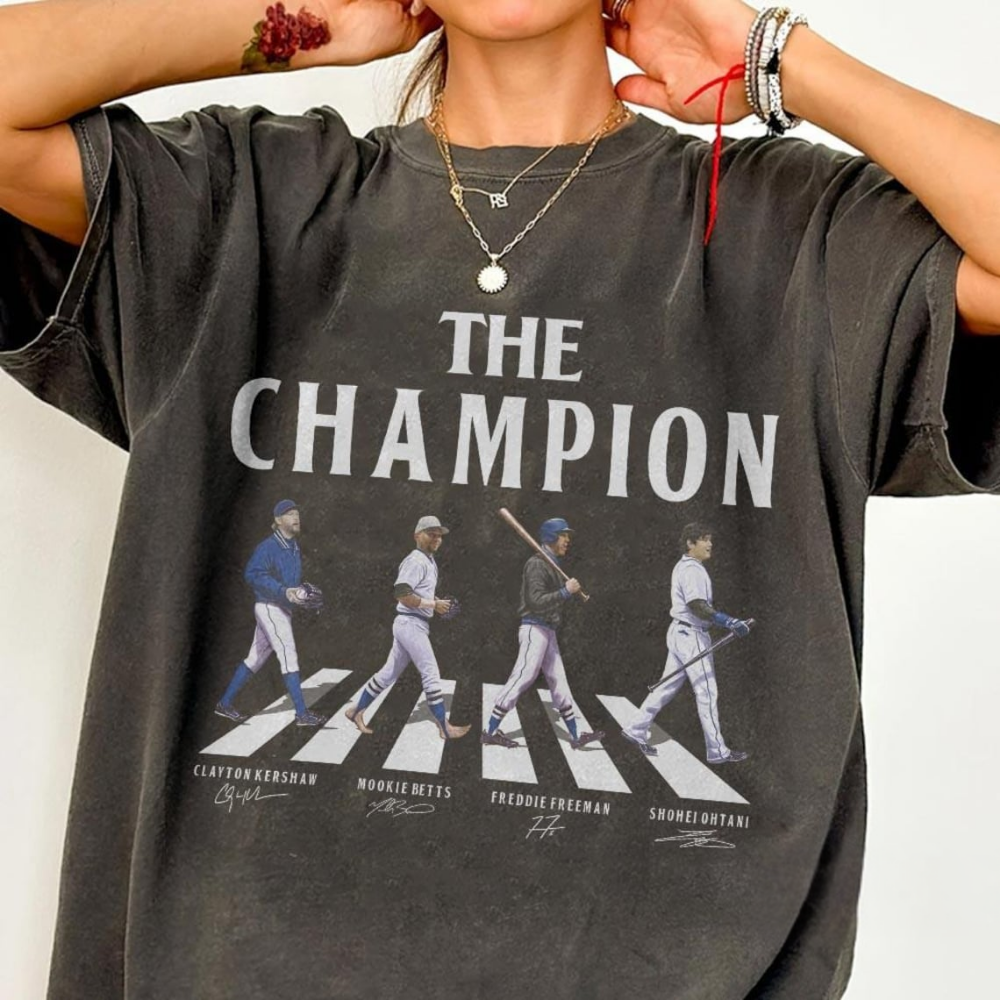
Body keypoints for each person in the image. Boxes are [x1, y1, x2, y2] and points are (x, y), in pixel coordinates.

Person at [0, 1, 998, 998]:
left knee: (516, 681)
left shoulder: (793, 235)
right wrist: (300, 18)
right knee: (443, 675)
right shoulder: (238, 204)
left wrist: (776, 58)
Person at [621, 522, 751, 762]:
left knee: (665, 686)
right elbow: (697, 606)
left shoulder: (685, 566)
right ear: (691, 543)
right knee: (707, 693)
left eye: (710, 539)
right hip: (692, 635)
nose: (710, 544)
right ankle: (718, 751)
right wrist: (730, 621)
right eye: (704, 539)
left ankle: (635, 728)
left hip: (680, 632)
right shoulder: (692, 570)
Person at [344, 515, 472, 739]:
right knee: (431, 672)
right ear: (417, 536)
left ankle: (355, 711)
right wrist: (433, 604)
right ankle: (444, 727)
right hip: (410, 624)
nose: (437, 538)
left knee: (387, 674)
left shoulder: (429, 560)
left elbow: (418, 591)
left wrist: (436, 601)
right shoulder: (415, 560)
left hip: (412, 623)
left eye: (439, 535)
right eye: (431, 534)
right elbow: (402, 594)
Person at [482, 517, 605, 750]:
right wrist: (565, 591)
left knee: (559, 681)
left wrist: (566, 591)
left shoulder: (552, 563)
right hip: (534, 628)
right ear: (550, 537)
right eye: (563, 535)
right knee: (523, 676)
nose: (567, 540)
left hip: (548, 630)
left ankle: (575, 736)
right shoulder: (537, 564)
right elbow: (536, 602)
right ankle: (489, 731)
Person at [214, 498, 329, 726]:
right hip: (270, 607)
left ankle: (224, 704)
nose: (296, 517)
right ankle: (302, 714)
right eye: (290, 514)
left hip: (280, 608)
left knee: (255, 659)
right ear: (278, 520)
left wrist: (300, 595)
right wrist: (283, 591)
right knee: (289, 655)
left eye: (297, 513)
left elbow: (289, 585)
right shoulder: (268, 547)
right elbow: (252, 574)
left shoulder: (293, 546)